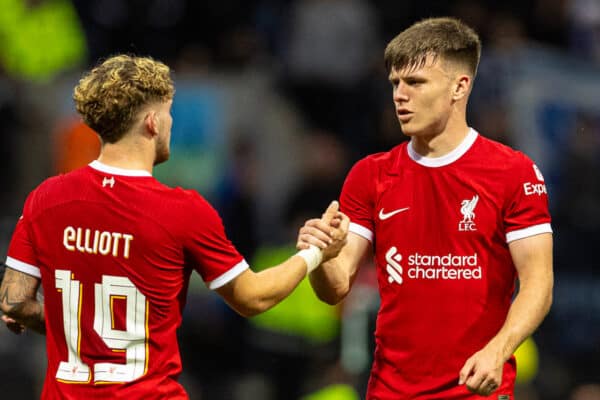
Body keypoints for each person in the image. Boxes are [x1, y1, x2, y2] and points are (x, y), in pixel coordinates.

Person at [0, 54, 348, 399]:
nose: (170, 123)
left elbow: (14, 302)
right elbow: (253, 297)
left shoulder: (45, 198)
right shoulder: (183, 210)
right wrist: (315, 252)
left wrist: (78, 333)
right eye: (168, 113)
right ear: (152, 121)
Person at [298, 17, 553, 399]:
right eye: (395, 84)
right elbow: (335, 287)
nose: (400, 95)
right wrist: (319, 256)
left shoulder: (513, 172)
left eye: (415, 83)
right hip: (389, 390)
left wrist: (498, 351)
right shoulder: (371, 174)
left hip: (476, 390)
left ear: (459, 87)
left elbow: (539, 284)